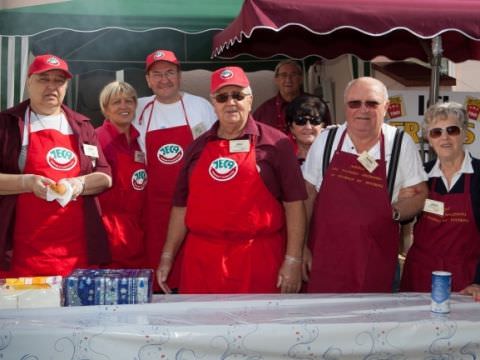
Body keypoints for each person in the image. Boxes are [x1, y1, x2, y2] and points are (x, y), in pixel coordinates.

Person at [156, 66, 307, 294]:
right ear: (213, 103)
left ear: (250, 99)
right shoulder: (196, 148)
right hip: (203, 262)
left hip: (258, 259)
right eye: (222, 97)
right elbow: (181, 207)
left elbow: (294, 205)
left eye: (238, 95)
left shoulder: (277, 144)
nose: (231, 103)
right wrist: (167, 256)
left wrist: (293, 260)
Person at [303, 76, 428, 293]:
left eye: (372, 103)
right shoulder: (327, 140)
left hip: (376, 256)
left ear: (386, 107)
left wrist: (394, 212)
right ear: (345, 107)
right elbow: (307, 195)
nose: (363, 110)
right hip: (325, 256)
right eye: (355, 103)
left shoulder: (399, 142)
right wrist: (301, 248)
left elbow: (419, 194)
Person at [0, 54, 112, 277]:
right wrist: (27, 182)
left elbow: (105, 175)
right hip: (22, 251)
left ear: (66, 86)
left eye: (59, 80)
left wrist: (78, 184)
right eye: (44, 79)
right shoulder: (7, 124)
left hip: (76, 250)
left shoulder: (82, 125)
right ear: (29, 82)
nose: (51, 86)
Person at [134, 49, 216, 291]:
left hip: (193, 203)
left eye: (170, 72)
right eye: (157, 74)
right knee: (156, 264)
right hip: (153, 206)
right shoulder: (138, 108)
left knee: (190, 271)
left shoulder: (199, 106)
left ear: (180, 76)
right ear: (148, 80)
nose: (164, 79)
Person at [400, 102, 480, 293]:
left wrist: (479, 281)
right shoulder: (420, 176)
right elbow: (404, 220)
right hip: (420, 278)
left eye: (451, 130)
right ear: (429, 138)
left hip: (466, 281)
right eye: (436, 132)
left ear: (463, 133)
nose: (444, 137)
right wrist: (404, 201)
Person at [96, 81, 147, 269]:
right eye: (116, 102)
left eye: (129, 101)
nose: (124, 106)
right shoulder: (97, 138)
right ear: (106, 109)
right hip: (107, 233)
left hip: (135, 232)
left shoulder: (139, 141)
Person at [253, 59, 304, 132]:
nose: (288, 79)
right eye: (284, 75)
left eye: (293, 75)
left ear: (301, 79)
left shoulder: (315, 105)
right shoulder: (263, 111)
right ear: (276, 80)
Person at [285, 94, 332, 166]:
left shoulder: (334, 157)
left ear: (323, 125)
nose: (308, 127)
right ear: (291, 127)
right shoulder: (283, 161)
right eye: (301, 121)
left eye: (315, 121)